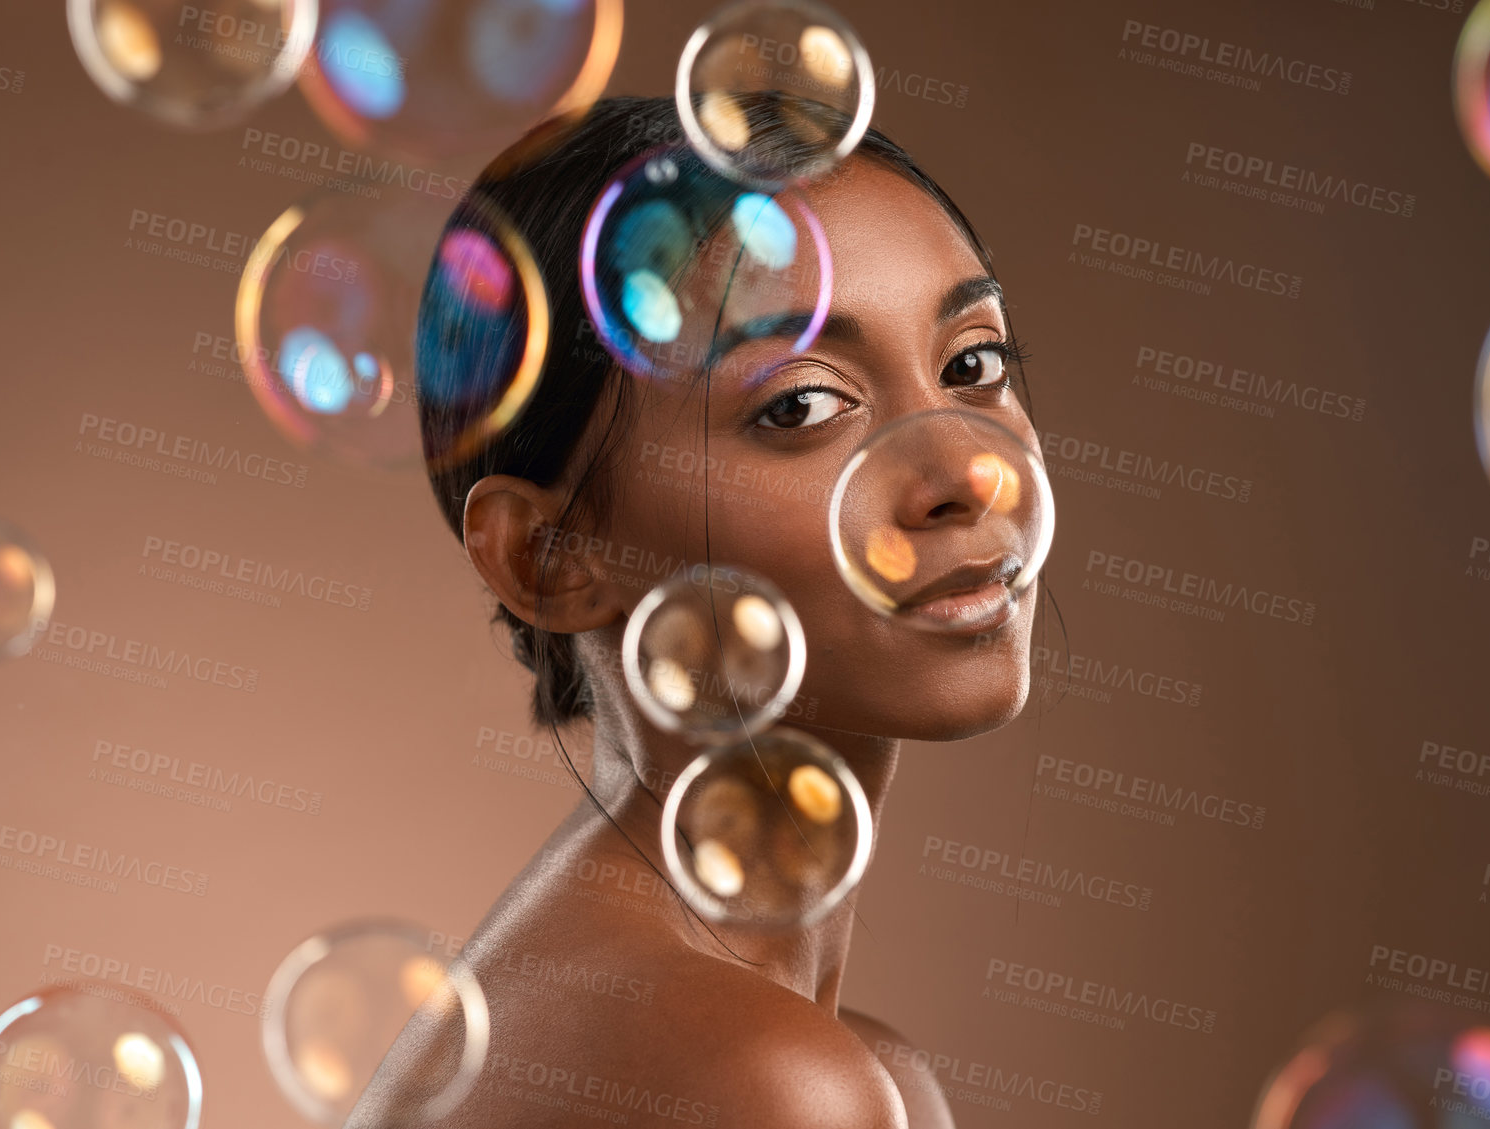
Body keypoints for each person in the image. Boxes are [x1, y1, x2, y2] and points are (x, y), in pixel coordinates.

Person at [357, 93, 1040, 1129]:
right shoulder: (756, 1077)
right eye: (803, 403)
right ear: (551, 555)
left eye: (972, 365)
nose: (967, 474)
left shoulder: (837, 1061)